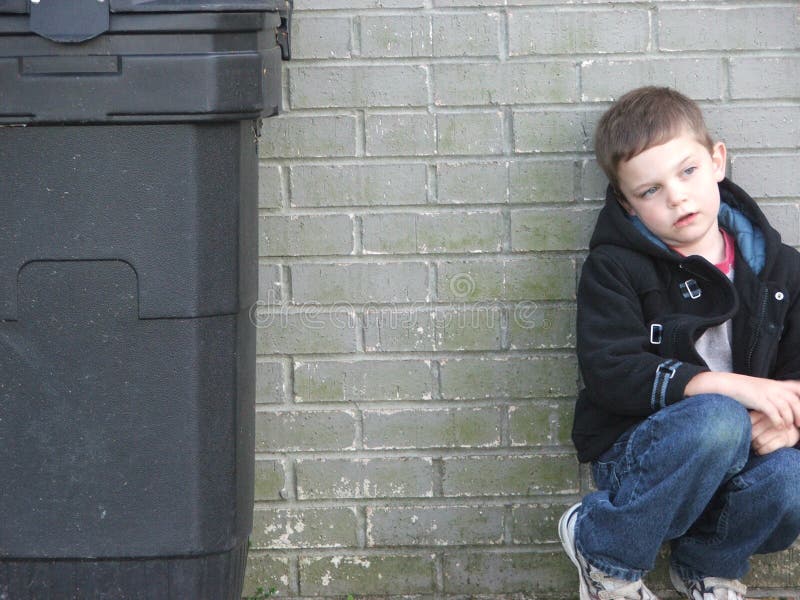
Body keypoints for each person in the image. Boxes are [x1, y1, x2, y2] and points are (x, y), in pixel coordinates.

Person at [559, 86, 800, 600]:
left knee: (792, 474)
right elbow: (610, 370)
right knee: (720, 417)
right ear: (626, 203)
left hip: (743, 450)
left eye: (687, 171)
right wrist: (730, 387)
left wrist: (791, 421)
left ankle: (707, 566)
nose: (676, 197)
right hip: (640, 452)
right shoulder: (615, 267)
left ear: (717, 161)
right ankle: (604, 555)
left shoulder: (780, 269)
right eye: (650, 190)